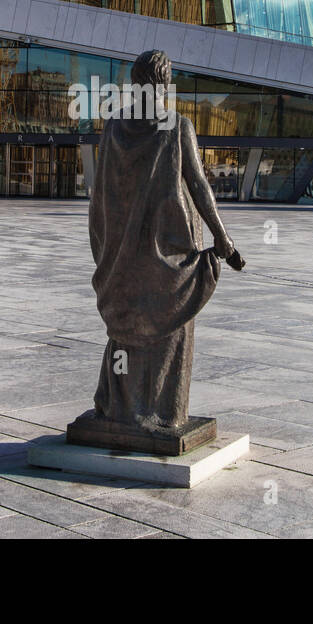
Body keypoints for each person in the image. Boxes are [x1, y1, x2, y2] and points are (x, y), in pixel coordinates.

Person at [80, 50, 244, 439]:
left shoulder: (115, 127)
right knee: (171, 331)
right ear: (163, 83)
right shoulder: (176, 125)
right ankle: (164, 414)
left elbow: (101, 194)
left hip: (124, 257)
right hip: (167, 256)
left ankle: (119, 408)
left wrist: (105, 251)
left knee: (126, 332)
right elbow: (199, 185)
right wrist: (223, 238)